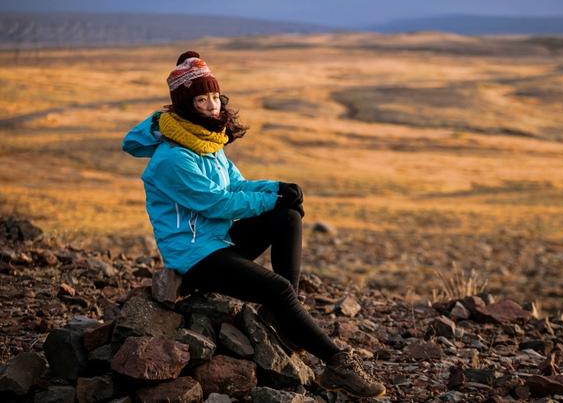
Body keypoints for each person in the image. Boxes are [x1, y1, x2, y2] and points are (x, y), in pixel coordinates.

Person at [121, 51, 386, 398]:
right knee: (278, 287)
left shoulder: (204, 142)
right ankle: (337, 364)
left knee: (288, 215)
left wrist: (278, 189)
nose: (213, 106)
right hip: (195, 256)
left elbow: (235, 186)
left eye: (215, 97)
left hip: (220, 239)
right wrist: (271, 198)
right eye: (202, 99)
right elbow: (216, 203)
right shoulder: (172, 158)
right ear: (186, 105)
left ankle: (282, 319)